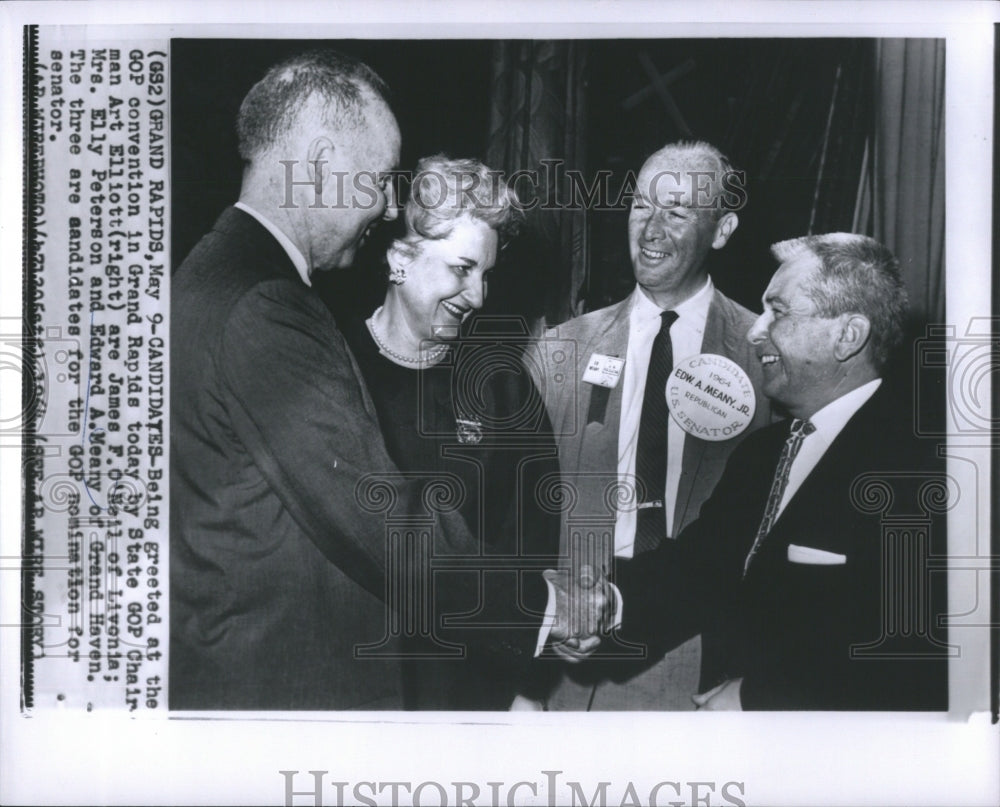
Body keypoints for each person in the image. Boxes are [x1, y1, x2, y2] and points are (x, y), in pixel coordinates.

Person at [170, 50, 605, 711]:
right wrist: (547, 611)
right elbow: (386, 525)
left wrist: (526, 680)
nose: (382, 205)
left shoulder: (208, 276)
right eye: (377, 180)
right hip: (295, 694)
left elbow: (528, 536)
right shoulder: (279, 315)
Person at [612, 233, 949, 710]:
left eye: (779, 312)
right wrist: (600, 604)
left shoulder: (924, 472)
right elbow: (695, 571)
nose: (756, 330)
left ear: (848, 335)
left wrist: (757, 699)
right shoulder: (761, 454)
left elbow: (918, 655)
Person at [527, 141, 771, 710]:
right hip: (572, 660)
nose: (651, 229)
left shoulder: (767, 357)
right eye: (641, 206)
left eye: (677, 212)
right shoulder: (560, 349)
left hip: (700, 666)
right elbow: (516, 518)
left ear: (722, 229)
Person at [340, 155, 560, 709]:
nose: (479, 295)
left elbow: (532, 543)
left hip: (470, 691)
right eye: (462, 269)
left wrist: (527, 686)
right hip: (351, 681)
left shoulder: (502, 387)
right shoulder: (332, 367)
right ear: (399, 260)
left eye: (487, 274)